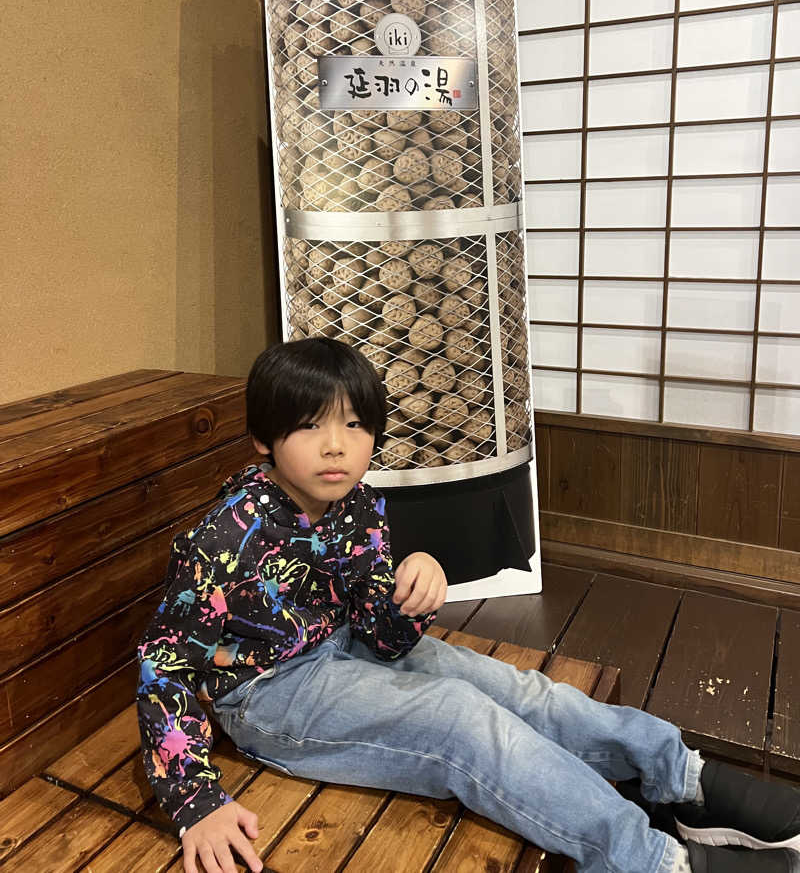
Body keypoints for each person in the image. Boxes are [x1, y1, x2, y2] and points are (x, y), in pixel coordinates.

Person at [137, 337, 800, 873]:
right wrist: (195, 801)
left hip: (347, 649)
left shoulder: (361, 504)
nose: (336, 444)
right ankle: (652, 860)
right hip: (270, 694)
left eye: (355, 423)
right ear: (263, 438)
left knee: (521, 693)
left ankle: (681, 777)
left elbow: (383, 635)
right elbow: (163, 664)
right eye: (309, 426)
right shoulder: (227, 534)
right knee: (460, 721)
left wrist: (412, 589)